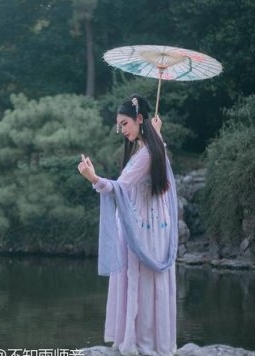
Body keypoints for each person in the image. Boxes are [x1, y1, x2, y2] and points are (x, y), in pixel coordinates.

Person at [77, 94, 178, 356]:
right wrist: (155, 132)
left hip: (140, 227)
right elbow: (155, 150)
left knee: (141, 283)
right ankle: (153, 340)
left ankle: (141, 343)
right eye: (119, 125)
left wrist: (93, 177)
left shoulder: (145, 155)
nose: (121, 130)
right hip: (156, 228)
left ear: (139, 119)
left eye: (124, 124)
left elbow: (118, 188)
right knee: (150, 283)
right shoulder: (155, 148)